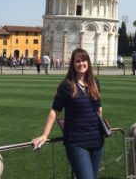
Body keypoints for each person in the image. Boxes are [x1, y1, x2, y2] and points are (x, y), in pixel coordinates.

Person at [32, 48, 104, 179]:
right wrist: (45, 134)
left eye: (84, 60)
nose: (81, 64)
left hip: (97, 140)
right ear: (73, 64)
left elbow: (99, 109)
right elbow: (55, 110)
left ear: (88, 62)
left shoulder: (95, 82)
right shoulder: (67, 85)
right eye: (78, 61)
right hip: (76, 141)